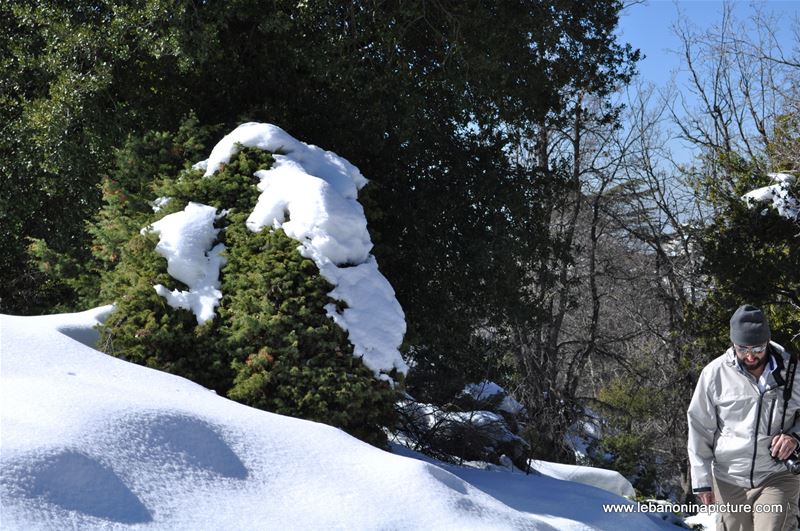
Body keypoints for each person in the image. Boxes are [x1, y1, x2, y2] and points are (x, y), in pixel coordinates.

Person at [687, 304, 800, 531]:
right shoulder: (714, 374)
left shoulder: (793, 371)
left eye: (757, 348)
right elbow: (699, 427)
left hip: (776, 475)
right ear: (733, 344)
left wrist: (795, 437)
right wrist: (701, 482)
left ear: (767, 340)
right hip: (729, 478)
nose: (750, 356)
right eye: (742, 348)